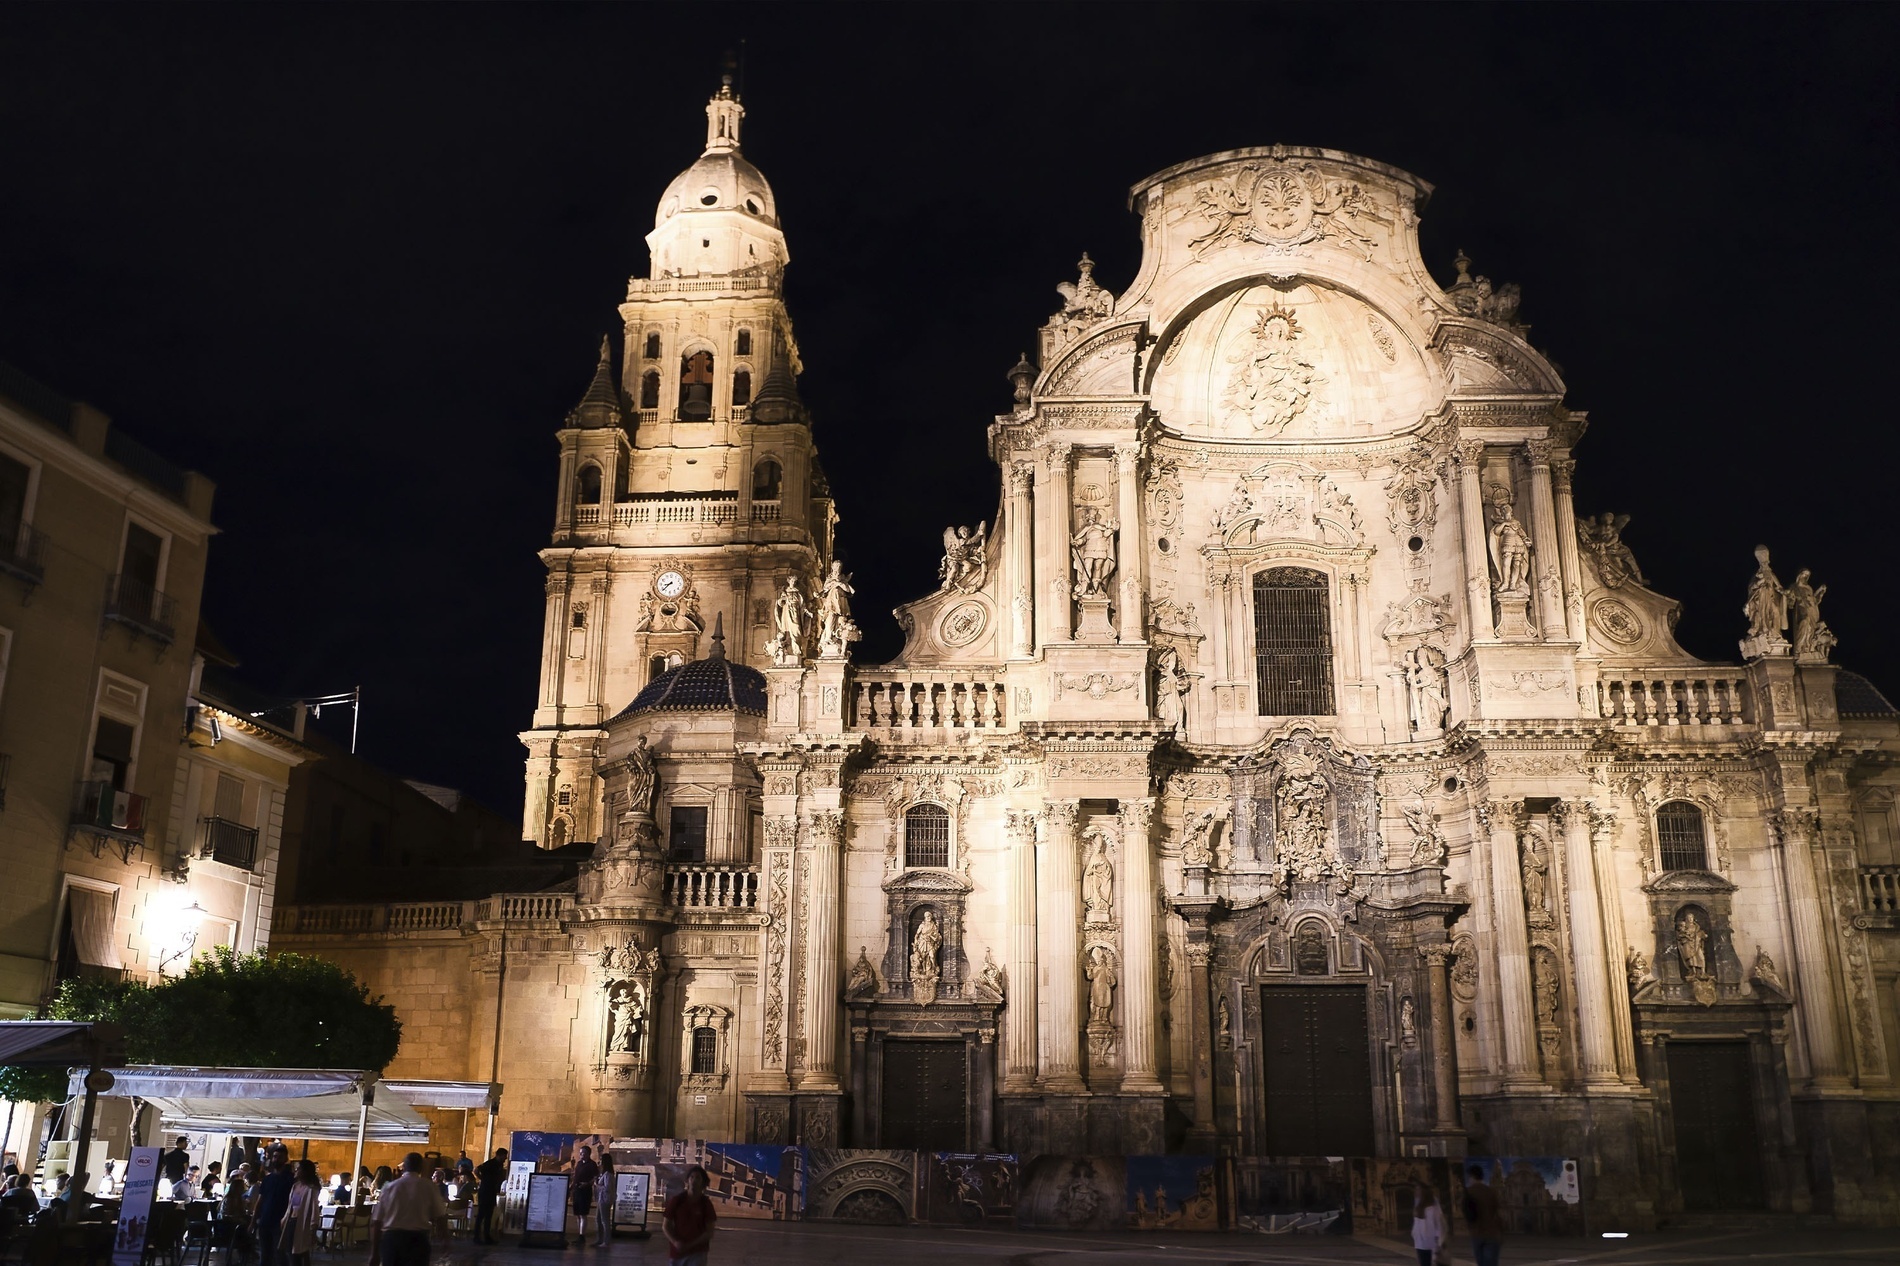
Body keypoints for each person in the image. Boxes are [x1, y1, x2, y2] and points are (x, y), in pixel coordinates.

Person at [367, 1152, 448, 1266]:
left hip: (392, 1239)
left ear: (404, 1167)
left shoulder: (389, 1187)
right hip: (418, 1240)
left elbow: (377, 1221)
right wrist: (444, 1241)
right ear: (421, 1167)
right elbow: (440, 1217)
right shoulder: (429, 1186)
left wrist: (374, 1252)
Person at [662, 1165, 716, 1266]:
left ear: (703, 1183)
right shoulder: (677, 1200)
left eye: (698, 1178)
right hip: (678, 1252)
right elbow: (665, 1226)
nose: (694, 1180)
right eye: (692, 1177)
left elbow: (709, 1232)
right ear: (687, 1181)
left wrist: (691, 1245)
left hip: (697, 1253)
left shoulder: (706, 1204)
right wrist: (675, 1242)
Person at [253, 1144, 294, 1266]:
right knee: (265, 1254)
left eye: (280, 1157)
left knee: (280, 1254)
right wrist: (254, 1220)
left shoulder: (290, 1180)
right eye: (275, 1157)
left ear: (285, 1159)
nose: (277, 1159)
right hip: (265, 1220)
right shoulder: (267, 1179)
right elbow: (260, 1200)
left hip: (280, 1221)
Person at [280, 1160, 321, 1266]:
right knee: (291, 1250)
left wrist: (313, 1227)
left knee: (298, 1251)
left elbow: (314, 1209)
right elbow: (291, 1205)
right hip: (291, 1221)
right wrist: (285, 1219)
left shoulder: (311, 1189)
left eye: (298, 1169)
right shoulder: (295, 1186)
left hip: (302, 1222)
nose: (296, 1171)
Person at [1464, 1164, 1504, 1266]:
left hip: (1476, 1233)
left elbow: (1466, 1213)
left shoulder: (1468, 1192)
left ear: (1472, 1176)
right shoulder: (1491, 1191)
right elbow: (1498, 1212)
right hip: (1492, 1233)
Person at [473, 1147, 507, 1246]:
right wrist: (482, 1179)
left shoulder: (499, 1165)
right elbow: (476, 1169)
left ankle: (487, 1237)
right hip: (485, 1191)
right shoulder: (490, 1163)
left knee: (489, 1216)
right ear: (499, 1155)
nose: (505, 1159)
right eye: (504, 1156)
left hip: (491, 1192)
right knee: (481, 1215)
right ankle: (476, 1237)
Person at [568, 1145, 599, 1247]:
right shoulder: (579, 1164)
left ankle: (582, 1236)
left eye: (583, 1153)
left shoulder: (592, 1164)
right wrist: (571, 1188)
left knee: (583, 1214)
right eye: (580, 1153)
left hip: (585, 1191)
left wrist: (588, 1184)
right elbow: (575, 1177)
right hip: (577, 1191)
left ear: (588, 1154)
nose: (581, 1155)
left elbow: (595, 1178)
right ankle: (579, 1235)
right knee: (577, 1214)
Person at [1412, 1184, 1448, 1266]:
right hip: (1420, 1242)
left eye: (1418, 1190)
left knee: (1432, 1262)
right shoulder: (1418, 1204)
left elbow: (1439, 1223)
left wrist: (1439, 1239)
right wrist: (1414, 1234)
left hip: (1431, 1241)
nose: (1416, 1191)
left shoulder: (1433, 1206)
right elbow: (1416, 1223)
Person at [593, 1149, 616, 1247]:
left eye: (602, 1159)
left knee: (604, 1220)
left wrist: (596, 1185)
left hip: (605, 1199)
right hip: (601, 1199)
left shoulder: (608, 1175)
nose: (600, 1161)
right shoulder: (604, 1173)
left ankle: (606, 1241)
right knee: (598, 1219)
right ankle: (600, 1239)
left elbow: (607, 1188)